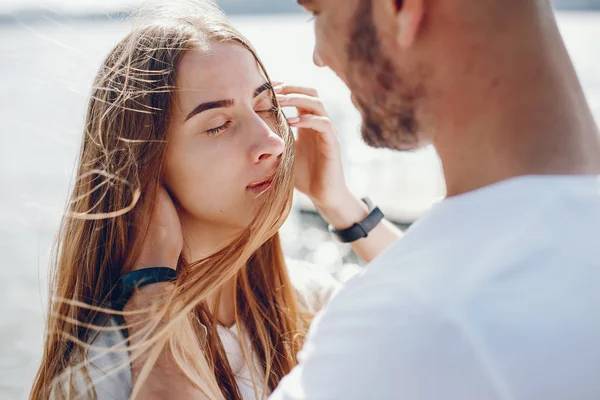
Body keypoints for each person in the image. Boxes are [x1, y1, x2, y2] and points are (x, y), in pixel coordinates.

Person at [29, 1, 402, 399]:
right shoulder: (104, 374)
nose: (273, 143)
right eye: (219, 125)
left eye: (266, 107)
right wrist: (151, 295)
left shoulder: (306, 303)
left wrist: (340, 203)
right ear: (146, 166)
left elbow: (449, 310)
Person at [269, 0, 600, 399]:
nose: (317, 56)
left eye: (318, 13)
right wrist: (342, 208)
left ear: (400, 8)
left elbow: (446, 308)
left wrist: (167, 284)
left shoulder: (408, 324)